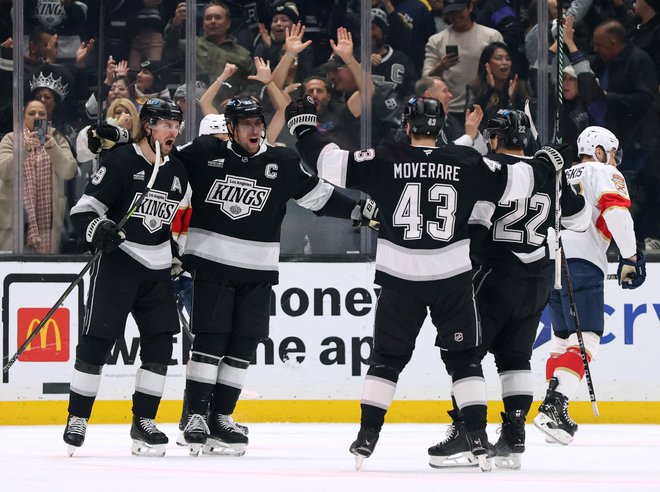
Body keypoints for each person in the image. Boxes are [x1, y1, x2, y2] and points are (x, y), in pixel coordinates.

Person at [286, 95, 569, 471]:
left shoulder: (385, 158)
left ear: (407, 125)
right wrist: (547, 161)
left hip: (399, 280)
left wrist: (303, 126)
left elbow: (327, 162)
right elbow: (521, 181)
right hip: (451, 282)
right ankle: (478, 437)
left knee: (387, 360)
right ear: (440, 128)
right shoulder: (466, 161)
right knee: (466, 360)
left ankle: (367, 436)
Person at [173, 95, 372, 457]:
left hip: (258, 272)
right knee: (209, 341)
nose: (255, 128)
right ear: (230, 128)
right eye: (246, 123)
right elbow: (162, 168)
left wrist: (361, 210)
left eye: (258, 122)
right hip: (212, 266)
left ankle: (221, 417)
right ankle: (196, 416)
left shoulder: (281, 161)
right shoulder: (203, 152)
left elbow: (320, 197)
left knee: (243, 346)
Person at [432, 110, 590, 470]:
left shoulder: (489, 169)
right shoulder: (546, 170)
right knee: (516, 359)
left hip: (491, 276)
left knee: (465, 356)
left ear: (494, 138)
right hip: (536, 281)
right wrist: (559, 176)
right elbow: (578, 220)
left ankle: (466, 434)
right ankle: (513, 437)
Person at [63, 99, 189, 457]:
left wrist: (176, 254)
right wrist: (99, 227)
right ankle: (78, 417)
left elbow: (174, 222)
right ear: (148, 126)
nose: (174, 131)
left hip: (158, 270)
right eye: (166, 124)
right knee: (97, 342)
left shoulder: (177, 170)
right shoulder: (120, 162)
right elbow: (83, 209)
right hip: (119, 263)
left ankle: (144, 421)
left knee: (161, 343)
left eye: (177, 124)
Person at [534, 126, 647, 445]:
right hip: (582, 262)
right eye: (611, 153)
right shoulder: (603, 171)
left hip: (548, 260)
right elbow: (616, 213)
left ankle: (552, 408)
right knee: (588, 338)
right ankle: (554, 409)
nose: (614, 160)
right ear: (599, 151)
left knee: (562, 338)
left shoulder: (560, 171)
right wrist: (632, 256)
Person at [0, 99, 77, 253]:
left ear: (47, 118)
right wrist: (24, 150)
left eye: (41, 114)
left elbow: (69, 171)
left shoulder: (57, 138)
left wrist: (52, 148)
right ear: (23, 117)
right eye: (31, 113)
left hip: (47, 225)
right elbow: (4, 171)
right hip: (15, 222)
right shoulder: (11, 139)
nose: (37, 116)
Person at [423, 0, 503, 126]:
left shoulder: (491, 36)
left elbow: (503, 70)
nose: (455, 15)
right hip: (450, 109)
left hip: (485, 105)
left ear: (470, 7)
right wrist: (441, 67)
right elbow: (425, 78)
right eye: (451, 12)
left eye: (459, 11)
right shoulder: (436, 41)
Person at [465, 42, 529, 132]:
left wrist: (510, 99)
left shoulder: (515, 87)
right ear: (487, 64)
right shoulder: (474, 87)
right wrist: (489, 89)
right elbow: (471, 115)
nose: (504, 62)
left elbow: (523, 121)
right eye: (499, 58)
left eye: (508, 59)